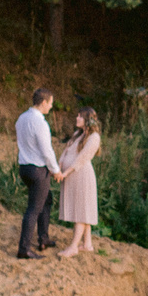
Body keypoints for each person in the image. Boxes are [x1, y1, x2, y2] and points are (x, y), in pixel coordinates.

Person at [14, 87, 63, 260]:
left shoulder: (21, 118)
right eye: (50, 103)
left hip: (24, 168)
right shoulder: (40, 123)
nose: (51, 107)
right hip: (37, 169)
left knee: (46, 200)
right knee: (34, 209)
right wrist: (55, 170)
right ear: (43, 102)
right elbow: (47, 151)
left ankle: (43, 238)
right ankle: (24, 249)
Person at [54, 107, 103, 258]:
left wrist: (66, 172)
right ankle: (87, 244)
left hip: (82, 176)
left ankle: (74, 246)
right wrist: (59, 166)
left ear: (88, 120)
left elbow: (82, 158)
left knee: (81, 211)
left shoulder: (94, 137)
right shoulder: (78, 134)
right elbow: (66, 151)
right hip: (72, 176)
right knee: (82, 209)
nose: (76, 118)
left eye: (80, 116)